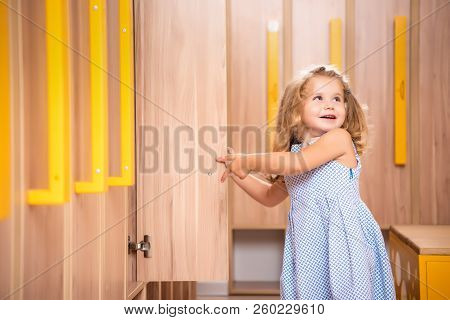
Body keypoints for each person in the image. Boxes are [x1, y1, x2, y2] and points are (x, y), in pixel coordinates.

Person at [216, 64, 396, 300]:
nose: (329, 104)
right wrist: (237, 172)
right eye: (318, 98)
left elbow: (298, 163)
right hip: (310, 246)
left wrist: (247, 161)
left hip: (344, 241)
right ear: (296, 110)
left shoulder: (338, 140)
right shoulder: (296, 153)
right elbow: (270, 196)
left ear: (345, 108)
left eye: (337, 98)